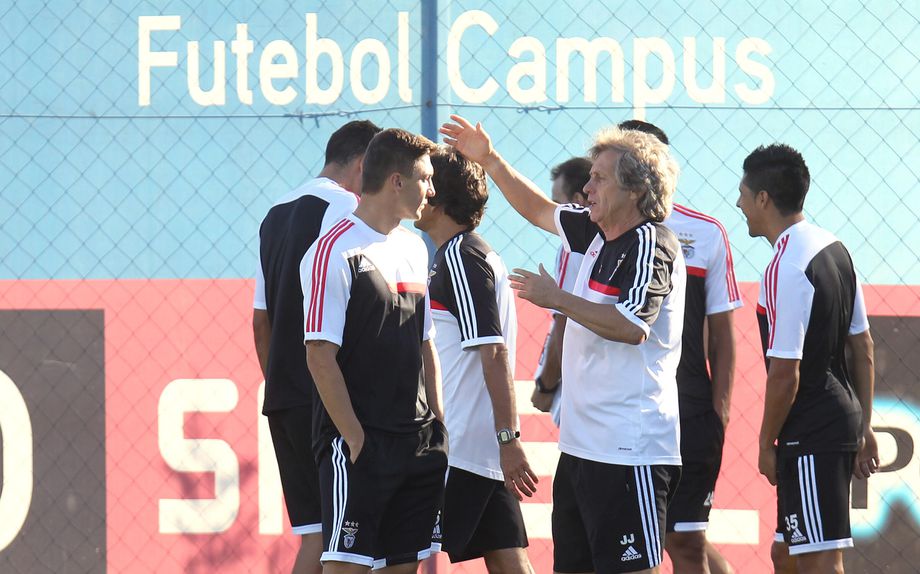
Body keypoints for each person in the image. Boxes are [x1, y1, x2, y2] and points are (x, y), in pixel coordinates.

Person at [442, 115, 684, 574]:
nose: (586, 188)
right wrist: (490, 158)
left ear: (633, 191)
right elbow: (536, 208)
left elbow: (631, 326)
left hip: (629, 450)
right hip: (580, 449)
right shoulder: (595, 229)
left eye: (598, 179)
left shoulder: (652, 242)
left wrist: (559, 298)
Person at [302, 128, 448, 574]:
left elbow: (425, 344)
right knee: (347, 568)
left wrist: (439, 426)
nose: (433, 190)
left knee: (402, 568)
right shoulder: (332, 250)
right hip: (362, 445)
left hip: (418, 443)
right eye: (425, 178)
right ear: (396, 182)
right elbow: (319, 355)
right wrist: (356, 439)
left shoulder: (413, 247)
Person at [736, 144, 879, 574]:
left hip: (813, 429)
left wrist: (765, 443)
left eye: (742, 193)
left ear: (763, 198)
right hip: (833, 419)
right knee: (786, 554)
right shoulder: (834, 247)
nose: (738, 203)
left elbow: (785, 374)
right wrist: (864, 424)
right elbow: (864, 347)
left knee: (818, 560)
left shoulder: (785, 265)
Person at [253, 119, 381, 574]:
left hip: (285, 398)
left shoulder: (274, 214)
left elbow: (260, 320)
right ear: (366, 164)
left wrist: (283, 383)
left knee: (319, 535)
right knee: (349, 538)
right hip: (328, 400)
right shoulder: (348, 208)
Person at [618, 120, 740, 574]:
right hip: (619, 411)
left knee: (686, 543)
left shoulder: (705, 233)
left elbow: (724, 332)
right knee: (625, 544)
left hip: (687, 411)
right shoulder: (591, 230)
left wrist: (720, 407)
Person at [415, 147, 538, 573]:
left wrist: (508, 440)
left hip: (459, 447)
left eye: (427, 181)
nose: (420, 189)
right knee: (507, 556)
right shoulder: (460, 255)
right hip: (476, 447)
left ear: (439, 199)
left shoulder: (460, 257)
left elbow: (493, 350)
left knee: (391, 555)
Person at [531, 157, 592, 425]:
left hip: (581, 391)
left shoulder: (573, 247)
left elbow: (565, 322)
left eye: (557, 202)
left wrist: (546, 384)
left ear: (577, 202)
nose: (552, 210)